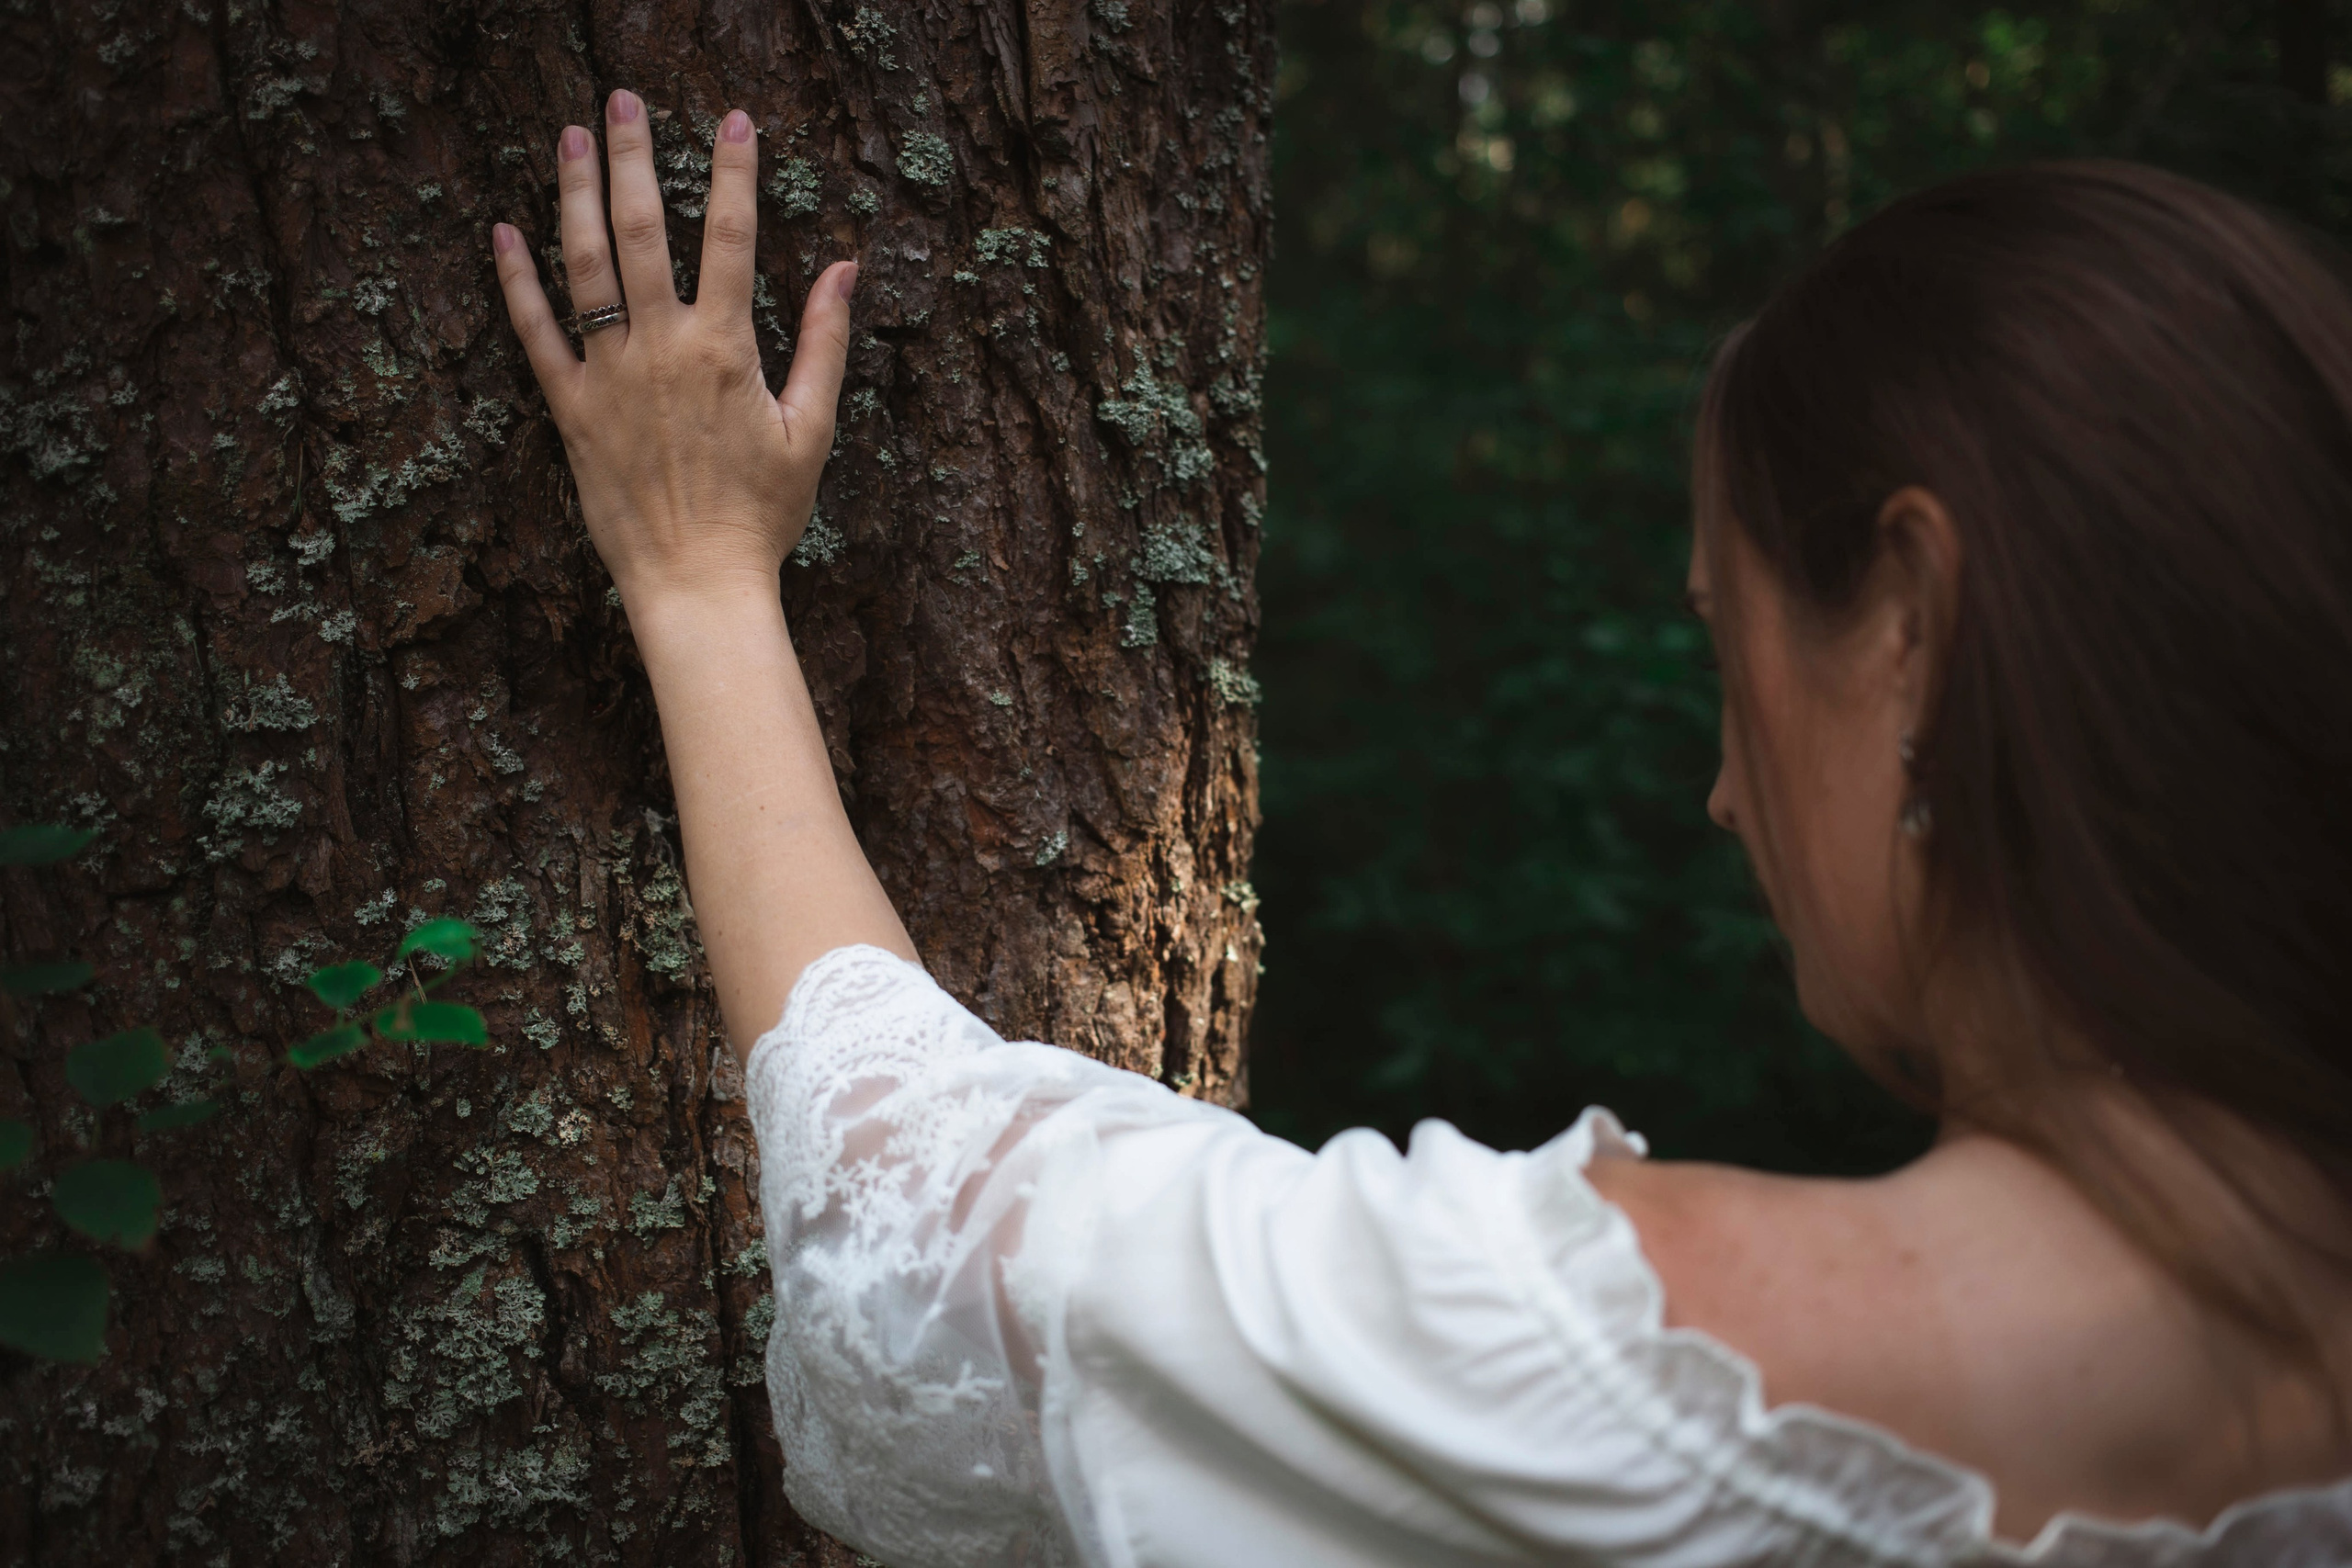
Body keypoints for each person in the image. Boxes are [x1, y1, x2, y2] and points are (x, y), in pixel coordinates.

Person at [490, 88, 2352, 1567]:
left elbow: (915, 1216)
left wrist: (697, 577)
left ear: (1916, 634)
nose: (1722, 786)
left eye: (1734, 648)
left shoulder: (1612, 1372)